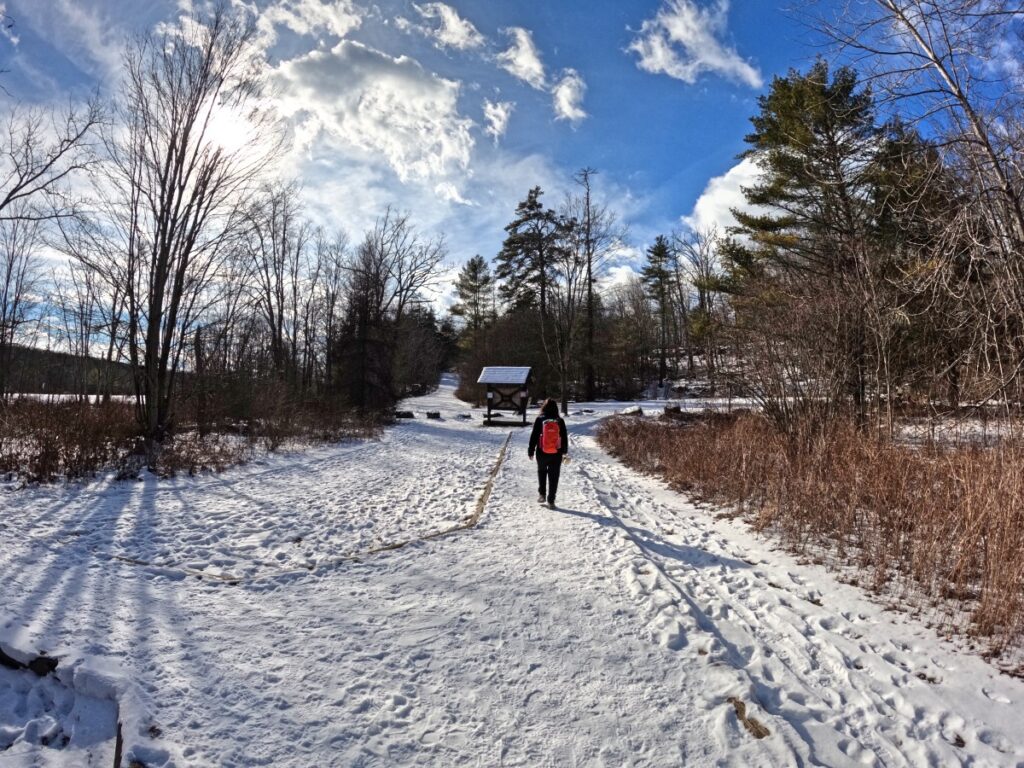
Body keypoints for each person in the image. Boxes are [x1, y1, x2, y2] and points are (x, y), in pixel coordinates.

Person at [528, 398, 569, 509]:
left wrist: (531, 450)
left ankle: (542, 494)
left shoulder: (539, 419)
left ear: (544, 407)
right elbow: (564, 437)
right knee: (554, 476)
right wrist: (564, 451)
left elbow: (534, 436)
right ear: (556, 408)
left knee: (542, 471)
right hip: (556, 453)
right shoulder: (559, 420)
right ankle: (551, 501)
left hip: (541, 452)